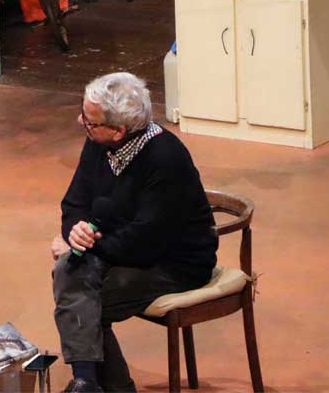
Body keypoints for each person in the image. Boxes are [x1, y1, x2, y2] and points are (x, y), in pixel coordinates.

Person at [51, 73, 218, 393]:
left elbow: (146, 243)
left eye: (89, 121)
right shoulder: (97, 143)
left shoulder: (166, 160)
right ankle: (88, 383)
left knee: (87, 300)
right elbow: (74, 202)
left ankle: (105, 386)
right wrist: (76, 233)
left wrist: (90, 243)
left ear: (119, 131)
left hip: (174, 261)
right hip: (117, 244)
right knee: (68, 271)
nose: (81, 121)